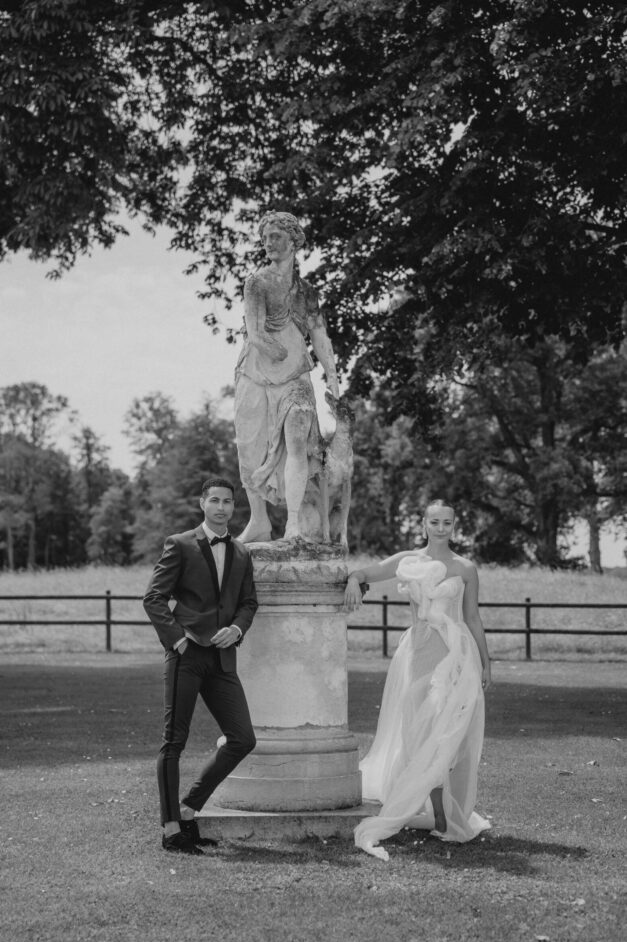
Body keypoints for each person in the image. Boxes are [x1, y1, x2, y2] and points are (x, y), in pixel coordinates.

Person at [344, 499, 492, 861]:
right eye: (435, 522)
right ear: (424, 523)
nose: (441, 528)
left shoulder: (466, 567)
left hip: (457, 655)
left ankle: (446, 813)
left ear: (455, 525)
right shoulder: (408, 560)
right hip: (418, 655)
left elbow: (472, 617)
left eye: (448, 522)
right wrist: (352, 579)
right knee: (421, 733)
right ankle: (439, 814)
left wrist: (486, 662)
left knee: (450, 731)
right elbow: (367, 572)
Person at [143, 477, 258, 855]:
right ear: (202, 503)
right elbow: (154, 598)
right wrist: (178, 639)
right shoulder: (180, 544)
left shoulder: (241, 552)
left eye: (228, 501)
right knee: (174, 740)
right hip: (187, 656)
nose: (222, 507)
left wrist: (238, 629)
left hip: (223, 657)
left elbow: (248, 602)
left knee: (242, 738)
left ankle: (189, 809)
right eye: (215, 500)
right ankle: (171, 828)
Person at [234, 210, 340, 543]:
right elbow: (255, 331)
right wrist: (272, 347)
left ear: (293, 240)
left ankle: (294, 523)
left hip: (294, 373)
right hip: (256, 372)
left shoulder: (306, 291)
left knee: (297, 440)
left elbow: (319, 335)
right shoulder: (257, 282)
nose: (268, 243)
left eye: (276, 236)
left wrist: (333, 378)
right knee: (251, 447)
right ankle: (259, 520)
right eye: (264, 238)